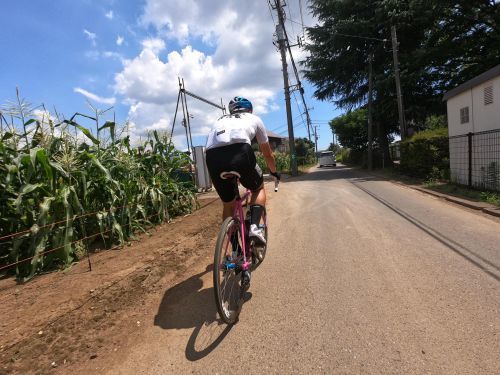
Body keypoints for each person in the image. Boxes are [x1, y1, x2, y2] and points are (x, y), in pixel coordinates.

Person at [205, 96, 280, 245]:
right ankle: (254, 227)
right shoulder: (254, 118)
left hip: (212, 158)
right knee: (258, 188)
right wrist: (273, 172)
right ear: (250, 109)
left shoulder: (219, 120)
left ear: (230, 111)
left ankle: (234, 248)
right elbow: (267, 154)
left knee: (228, 204)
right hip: (240, 153)